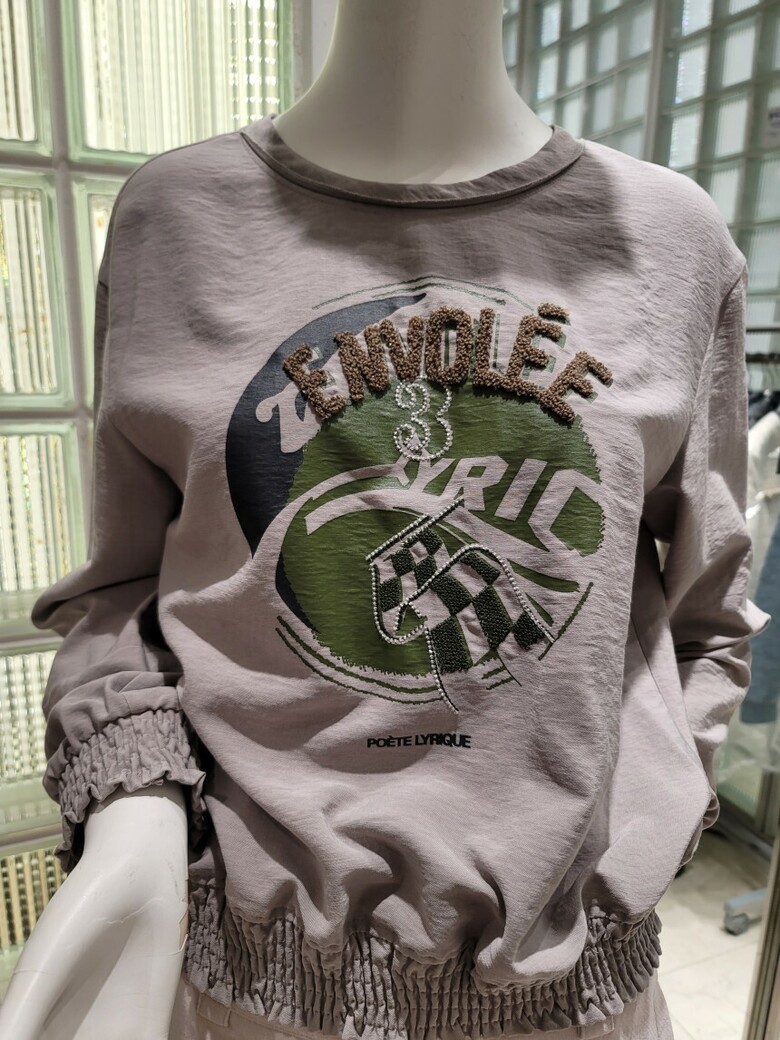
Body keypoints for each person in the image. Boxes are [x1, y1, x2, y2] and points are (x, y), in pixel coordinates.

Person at [0, 1, 770, 1038]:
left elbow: (707, 618)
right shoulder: (176, 219)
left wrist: (642, 830)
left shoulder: (674, 240)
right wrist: (134, 809)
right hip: (249, 990)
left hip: (572, 995)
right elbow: (120, 599)